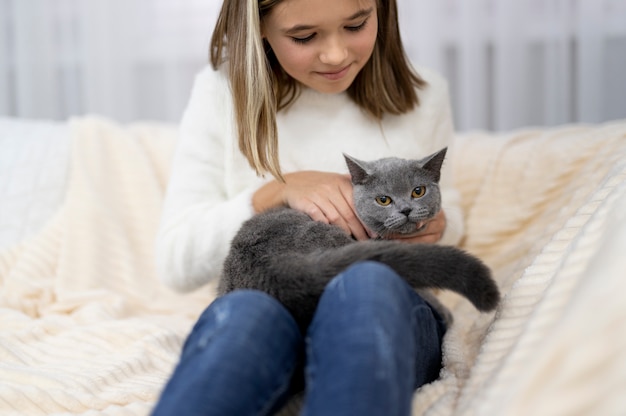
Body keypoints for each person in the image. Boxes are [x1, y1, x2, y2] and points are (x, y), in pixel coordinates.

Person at [152, 0, 464, 414]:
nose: (335, 54)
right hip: (271, 307)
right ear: (258, 25)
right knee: (245, 312)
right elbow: (175, 260)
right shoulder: (220, 94)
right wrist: (272, 194)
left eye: (356, 24)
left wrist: (438, 227)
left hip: (386, 312)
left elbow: (453, 211)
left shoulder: (424, 94)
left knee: (366, 286)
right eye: (304, 36)